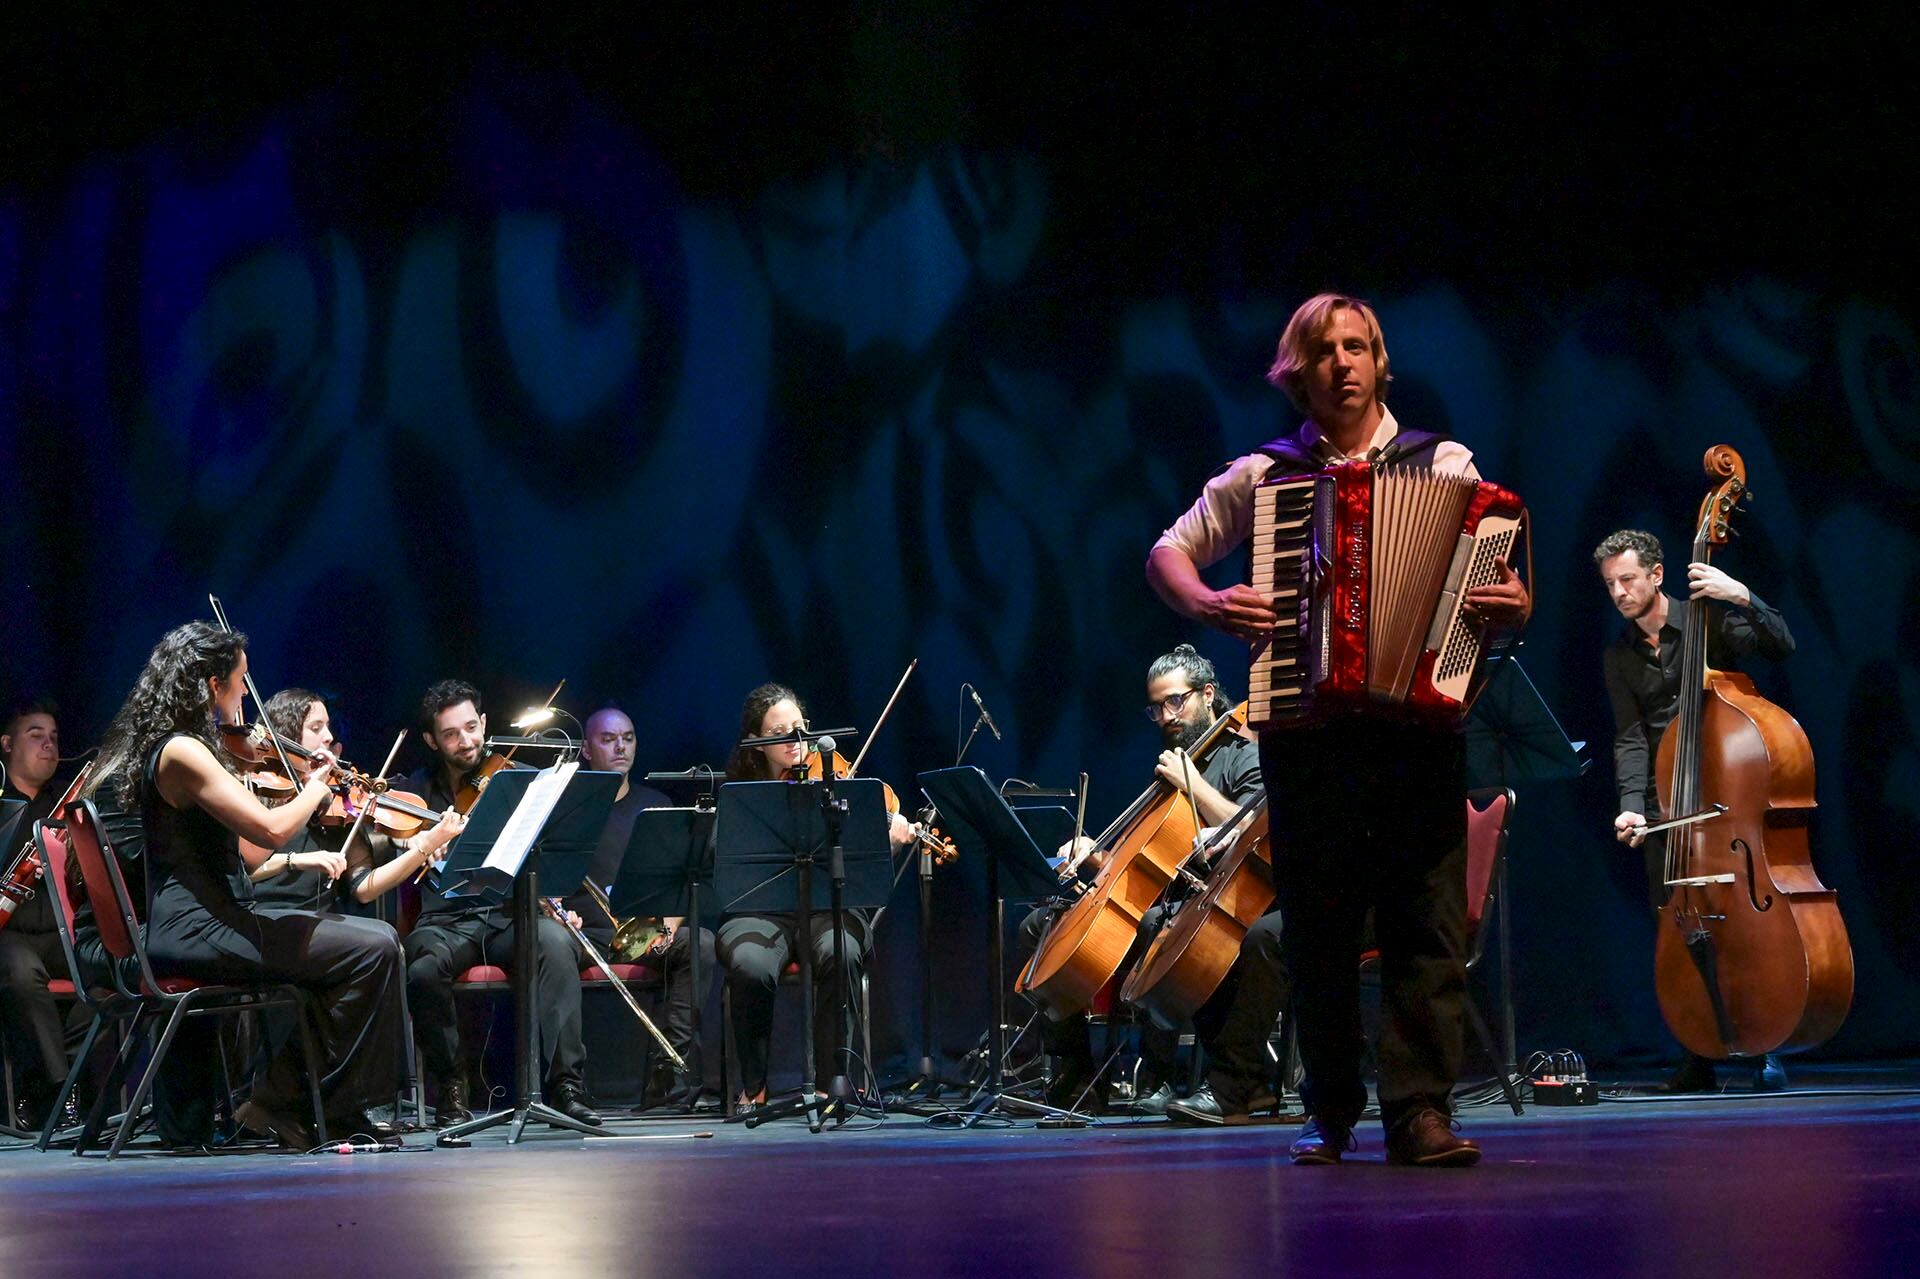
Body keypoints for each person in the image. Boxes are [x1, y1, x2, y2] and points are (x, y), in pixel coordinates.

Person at [1146, 292, 1529, 1166]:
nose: (1344, 363)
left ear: (1381, 362)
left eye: (1358, 347)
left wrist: (1513, 603)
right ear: (1298, 372)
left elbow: (1503, 589)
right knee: (1316, 928)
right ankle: (1329, 1110)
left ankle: (1420, 1110)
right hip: (1307, 729)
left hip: (1416, 729)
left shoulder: (1449, 464)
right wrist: (1208, 601)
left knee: (1423, 923)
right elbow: (1167, 550)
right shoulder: (1264, 476)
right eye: (1324, 351)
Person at [91, 622, 406, 1149]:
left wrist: (246, 767)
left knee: (367, 939)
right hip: (197, 928)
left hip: (221, 919)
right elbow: (273, 830)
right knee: (373, 947)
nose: (245, 691)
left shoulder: (198, 748)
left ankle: (284, 1099)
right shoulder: (181, 753)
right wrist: (314, 785)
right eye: (241, 680)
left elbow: (245, 850)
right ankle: (313, 1106)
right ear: (213, 685)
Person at [1011, 645, 1275, 1123]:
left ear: (1209, 694)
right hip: (1160, 897)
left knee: (1156, 924)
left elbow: (1257, 826)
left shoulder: (1242, 756)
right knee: (1040, 924)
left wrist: (1192, 783)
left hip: (1215, 905)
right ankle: (1075, 1077)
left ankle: (1173, 1075)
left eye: (1175, 701)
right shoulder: (1175, 763)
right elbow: (1148, 857)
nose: (1165, 716)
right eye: (1156, 707)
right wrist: (1095, 854)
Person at [1596, 527, 1797, 1092]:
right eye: (1610, 584)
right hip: (1669, 806)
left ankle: (1764, 1044)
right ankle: (1698, 1050)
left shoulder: (1707, 619)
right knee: (1682, 929)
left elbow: (1783, 645)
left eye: (1628, 580)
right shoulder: (1619, 654)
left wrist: (1740, 594)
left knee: (1747, 930)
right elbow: (1630, 737)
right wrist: (1632, 807)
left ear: (1657, 575)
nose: (1619, 592)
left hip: (1733, 797)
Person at [398, 680, 598, 1128]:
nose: (466, 741)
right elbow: (388, 836)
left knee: (556, 944)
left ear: (485, 723)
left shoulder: (517, 782)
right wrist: (417, 843)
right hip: (446, 920)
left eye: (472, 727)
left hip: (508, 914)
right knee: (423, 968)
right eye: (451, 734)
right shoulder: (414, 793)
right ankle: (451, 1087)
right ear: (432, 740)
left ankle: (566, 1085)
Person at [715, 683, 915, 1113]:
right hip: (761, 910)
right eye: (781, 731)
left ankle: (832, 1085)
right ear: (755, 743)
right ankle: (753, 1087)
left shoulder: (835, 783)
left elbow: (863, 860)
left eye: (800, 728)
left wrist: (890, 841)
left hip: (828, 907)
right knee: (750, 964)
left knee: (840, 951)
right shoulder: (741, 797)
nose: (796, 740)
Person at [558, 706, 715, 1108]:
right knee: (548, 947)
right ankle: (566, 1083)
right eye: (608, 739)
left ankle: (668, 1071)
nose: (620, 747)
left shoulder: (656, 805)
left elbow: (678, 879)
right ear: (586, 749)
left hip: (638, 935)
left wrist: (666, 928)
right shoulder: (565, 807)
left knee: (699, 943)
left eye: (627, 738)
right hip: (579, 934)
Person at [0, 698, 82, 1130]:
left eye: (53, 738)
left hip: (61, 933)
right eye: (36, 736)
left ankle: (61, 1079)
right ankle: (58, 1094)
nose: (48, 745)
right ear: (7, 744)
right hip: (9, 932)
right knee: (19, 973)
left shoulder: (71, 808)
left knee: (117, 970)